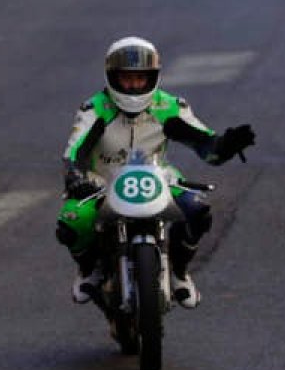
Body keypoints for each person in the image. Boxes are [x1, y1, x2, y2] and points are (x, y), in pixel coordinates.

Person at [56, 37, 256, 309]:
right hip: (102, 181)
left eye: (140, 79)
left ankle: (179, 274)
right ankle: (88, 268)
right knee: (72, 220)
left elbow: (206, 146)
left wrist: (225, 145)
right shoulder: (94, 109)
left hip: (157, 176)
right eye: (127, 79)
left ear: (154, 78)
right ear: (111, 78)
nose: (134, 86)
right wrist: (75, 177)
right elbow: (75, 151)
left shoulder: (170, 107)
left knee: (198, 210)